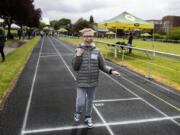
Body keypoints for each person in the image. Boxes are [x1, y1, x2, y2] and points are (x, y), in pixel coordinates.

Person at [72, 28, 120, 128]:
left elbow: (103, 66)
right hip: (81, 82)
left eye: (91, 36)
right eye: (86, 36)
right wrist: (78, 56)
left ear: (93, 37)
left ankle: (88, 117)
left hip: (93, 82)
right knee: (80, 102)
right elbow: (75, 67)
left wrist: (111, 71)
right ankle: (78, 112)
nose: (88, 38)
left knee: (90, 101)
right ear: (82, 38)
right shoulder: (78, 50)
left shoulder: (97, 51)